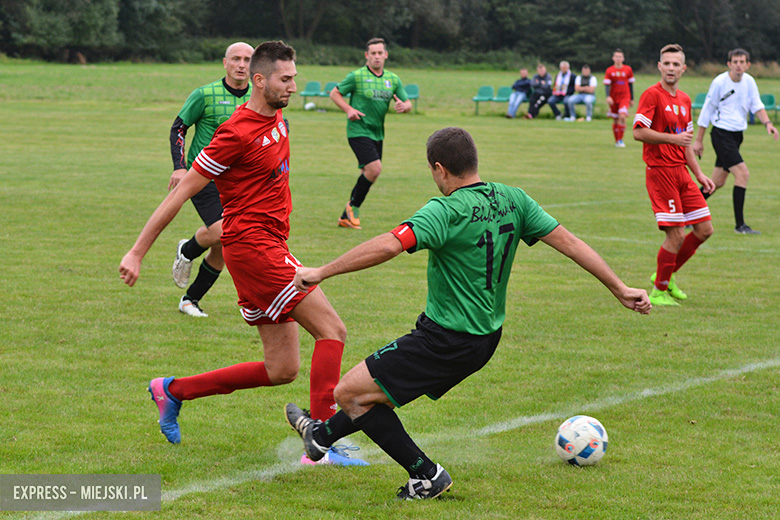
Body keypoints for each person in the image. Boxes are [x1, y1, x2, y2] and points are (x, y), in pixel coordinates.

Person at [284, 127, 651, 499]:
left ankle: (426, 475)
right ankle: (321, 436)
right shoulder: (514, 199)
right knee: (371, 392)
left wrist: (321, 271)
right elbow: (570, 243)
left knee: (350, 393)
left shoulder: (444, 210)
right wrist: (620, 288)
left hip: (444, 339)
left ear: (439, 169)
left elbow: (390, 244)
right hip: (485, 339)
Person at [119, 41, 366, 466]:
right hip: (255, 250)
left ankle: (173, 390)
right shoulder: (235, 132)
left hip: (265, 246)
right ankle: (323, 442)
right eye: (285, 79)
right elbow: (180, 193)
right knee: (333, 331)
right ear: (259, 80)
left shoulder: (278, 116)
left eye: (294, 77)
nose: (293, 86)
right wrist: (137, 251)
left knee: (281, 369)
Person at [167, 42, 254, 318]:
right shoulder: (205, 94)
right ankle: (188, 248)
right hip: (203, 175)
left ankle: (190, 300)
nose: (242, 64)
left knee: (224, 244)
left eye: (248, 60)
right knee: (222, 232)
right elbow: (178, 128)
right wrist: (180, 167)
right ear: (225, 63)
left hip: (240, 182)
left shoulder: (259, 97)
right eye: (236, 59)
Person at [633, 44, 716, 307]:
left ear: (683, 68)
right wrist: (672, 138)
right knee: (676, 235)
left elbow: (686, 143)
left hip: (682, 173)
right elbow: (638, 132)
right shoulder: (651, 95)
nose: (670, 68)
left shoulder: (684, 99)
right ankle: (658, 291)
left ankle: (665, 276)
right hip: (661, 173)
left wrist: (700, 174)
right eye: (666, 63)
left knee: (704, 229)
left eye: (675, 64)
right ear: (659, 66)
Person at [692, 48, 779, 235]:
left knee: (717, 181)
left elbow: (757, 105)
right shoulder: (719, 82)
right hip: (721, 134)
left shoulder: (749, 82)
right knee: (742, 174)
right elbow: (707, 110)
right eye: (735, 62)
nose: (738, 65)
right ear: (729, 64)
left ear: (747, 65)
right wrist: (698, 140)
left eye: (742, 62)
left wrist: (768, 123)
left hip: (736, 135)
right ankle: (740, 226)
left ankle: (686, 213)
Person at [330, 37, 412, 230]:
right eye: (372, 53)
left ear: (386, 55)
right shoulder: (356, 76)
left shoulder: (393, 79)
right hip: (358, 130)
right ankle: (353, 208)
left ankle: (345, 217)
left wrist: (404, 105)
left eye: (379, 53)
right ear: (367, 56)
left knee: (366, 173)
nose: (376, 57)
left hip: (378, 133)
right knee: (374, 169)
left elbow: (407, 103)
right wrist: (348, 109)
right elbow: (334, 93)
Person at [604, 49, 635, 147]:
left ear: (623, 58)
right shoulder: (609, 70)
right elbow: (606, 85)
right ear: (613, 58)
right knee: (616, 119)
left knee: (622, 116)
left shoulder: (628, 69)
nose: (618, 59)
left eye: (620, 57)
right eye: (616, 56)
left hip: (625, 97)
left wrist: (632, 98)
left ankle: (620, 140)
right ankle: (617, 140)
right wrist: (608, 96)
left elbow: (630, 85)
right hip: (614, 98)